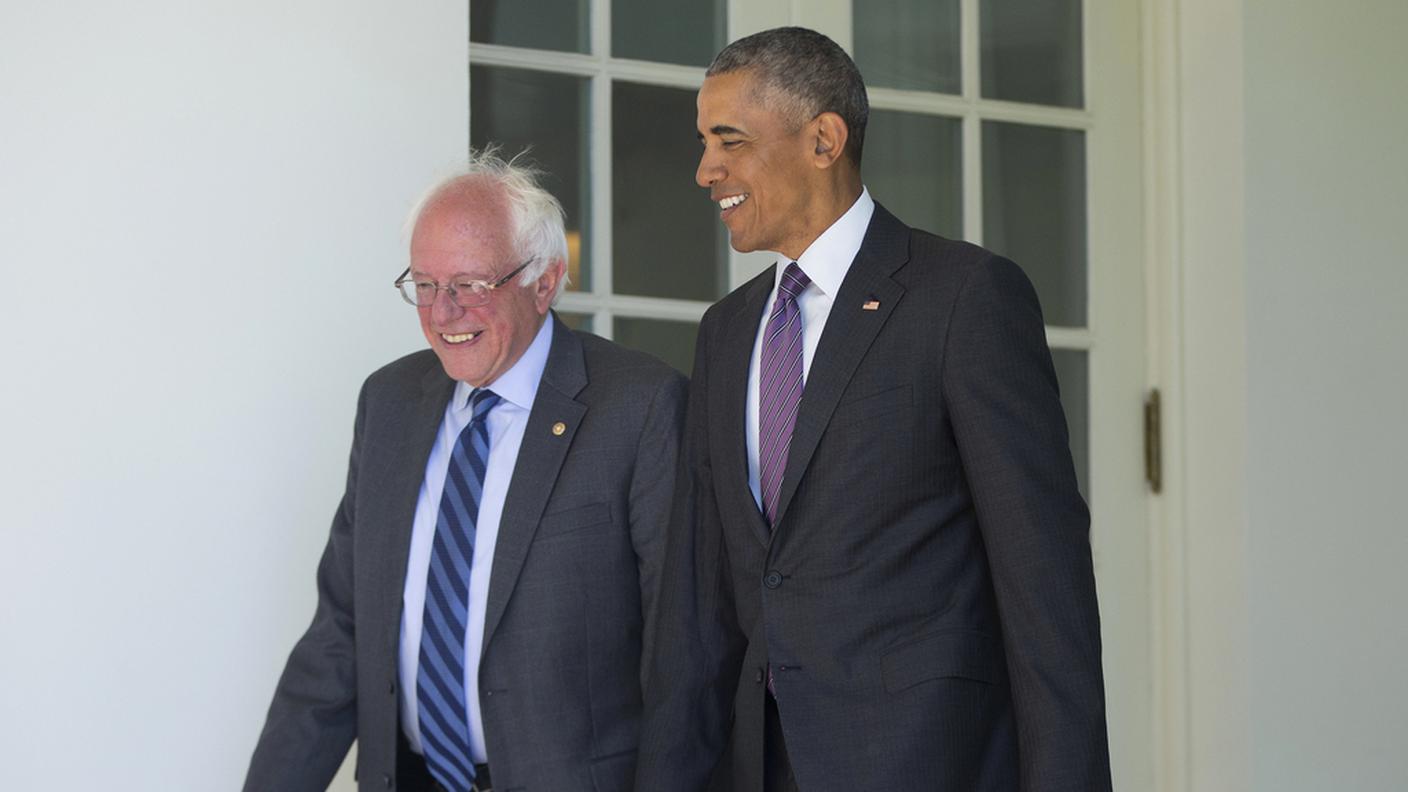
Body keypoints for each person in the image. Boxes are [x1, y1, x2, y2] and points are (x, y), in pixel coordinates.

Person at [637, 27, 1111, 792]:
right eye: (703, 142)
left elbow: (1043, 582)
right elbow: (698, 610)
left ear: (823, 139)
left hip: (927, 763)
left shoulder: (963, 298)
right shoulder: (725, 333)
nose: (705, 170)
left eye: (729, 141)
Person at [245, 150, 686, 792]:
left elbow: (679, 655)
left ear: (545, 280)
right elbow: (342, 634)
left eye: (470, 285)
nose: (442, 312)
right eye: (424, 285)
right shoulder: (389, 403)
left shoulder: (640, 406)